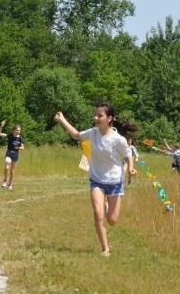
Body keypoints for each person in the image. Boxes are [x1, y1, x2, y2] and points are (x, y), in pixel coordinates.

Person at [54, 101, 137, 257]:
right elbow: (77, 135)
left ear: (109, 118)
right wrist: (62, 119)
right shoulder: (93, 132)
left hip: (114, 181)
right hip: (97, 180)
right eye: (96, 115)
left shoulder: (118, 139)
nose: (96, 118)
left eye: (100, 115)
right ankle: (105, 248)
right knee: (98, 213)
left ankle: (106, 206)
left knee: (112, 220)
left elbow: (128, 155)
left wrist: (131, 168)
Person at [0, 120, 24, 190]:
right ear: (13, 130)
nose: (19, 131)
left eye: (19, 130)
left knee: (12, 171)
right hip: (9, 153)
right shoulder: (10, 136)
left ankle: (10, 185)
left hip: (16, 154)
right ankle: (5, 180)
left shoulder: (20, 138)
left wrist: (19, 147)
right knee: (7, 165)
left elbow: (23, 148)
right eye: (17, 130)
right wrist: (1, 126)